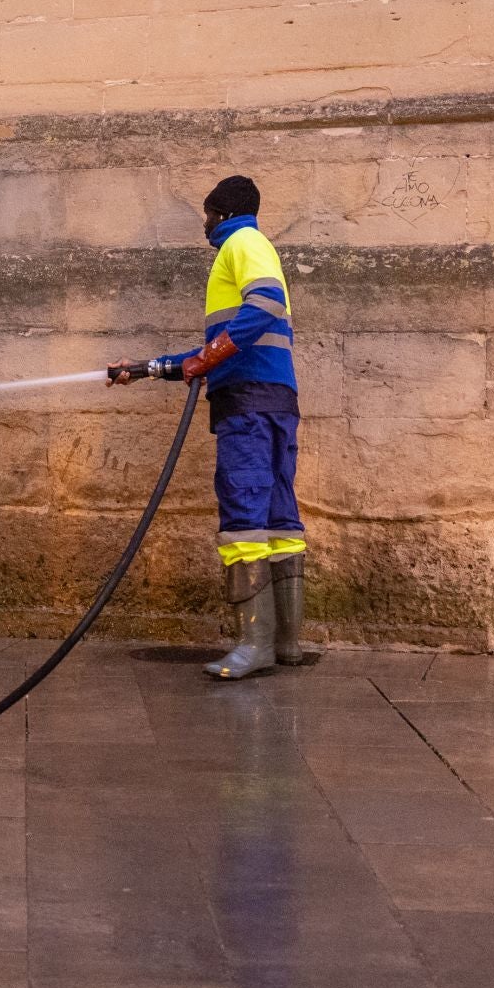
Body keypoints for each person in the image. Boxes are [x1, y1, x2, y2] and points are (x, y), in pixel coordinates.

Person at [110, 175, 305, 679]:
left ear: (220, 212)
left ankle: (253, 645)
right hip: (274, 400)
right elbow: (207, 357)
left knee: (244, 514)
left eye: (205, 213)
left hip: (249, 406)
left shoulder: (242, 243)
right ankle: (287, 643)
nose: (204, 224)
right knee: (278, 518)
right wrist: (146, 369)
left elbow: (261, 305)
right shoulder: (253, 246)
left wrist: (211, 354)